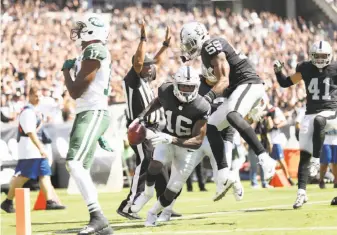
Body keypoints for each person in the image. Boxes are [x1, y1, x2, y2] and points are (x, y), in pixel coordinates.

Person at [180, 22, 276, 201]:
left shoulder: (210, 47)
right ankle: (223, 174)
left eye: (190, 43)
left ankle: (265, 159)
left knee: (232, 114)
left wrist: (206, 99)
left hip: (249, 84)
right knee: (213, 125)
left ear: (199, 38)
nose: (188, 48)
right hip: (239, 89)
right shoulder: (205, 53)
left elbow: (223, 80)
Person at [130, 66, 210, 226]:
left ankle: (153, 212)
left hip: (186, 147)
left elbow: (197, 141)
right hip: (167, 136)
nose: (186, 90)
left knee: (173, 188)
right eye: (183, 86)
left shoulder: (201, 106)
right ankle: (147, 193)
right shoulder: (166, 90)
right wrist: (141, 116)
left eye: (190, 87)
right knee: (155, 164)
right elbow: (158, 101)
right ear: (175, 85)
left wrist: (172, 139)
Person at [117, 20, 180, 220]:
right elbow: (139, 61)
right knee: (145, 163)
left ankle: (163, 204)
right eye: (148, 66)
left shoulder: (144, 78)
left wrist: (164, 47)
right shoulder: (133, 79)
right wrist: (143, 38)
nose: (152, 68)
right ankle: (127, 206)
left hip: (154, 128)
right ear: (140, 66)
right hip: (140, 128)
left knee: (159, 162)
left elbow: (153, 62)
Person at [62, 15, 113, 235]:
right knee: (79, 166)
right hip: (88, 112)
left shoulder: (95, 51)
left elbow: (75, 91)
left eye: (82, 28)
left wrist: (66, 72)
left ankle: (98, 217)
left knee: (73, 163)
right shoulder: (87, 52)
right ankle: (101, 224)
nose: (77, 31)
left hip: (93, 111)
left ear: (92, 31)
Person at [273, 40, 337, 209]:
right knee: (304, 153)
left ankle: (316, 161)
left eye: (324, 56)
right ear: (311, 56)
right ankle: (301, 193)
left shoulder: (335, 69)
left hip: (331, 112)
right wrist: (278, 72)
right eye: (318, 56)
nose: (321, 59)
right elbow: (286, 83)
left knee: (320, 121)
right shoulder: (306, 68)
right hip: (310, 112)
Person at [1, 87, 65, 213]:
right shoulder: (27, 112)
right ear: (29, 96)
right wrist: (40, 147)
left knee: (44, 173)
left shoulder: (35, 111)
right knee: (24, 176)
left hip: (34, 150)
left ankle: (50, 201)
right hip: (30, 150)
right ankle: (7, 201)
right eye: (36, 95)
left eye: (40, 95)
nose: (38, 98)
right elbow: (30, 133)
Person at [265, 98, 295, 186]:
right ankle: (269, 180)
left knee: (281, 160)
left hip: (275, 139)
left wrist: (275, 126)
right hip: (265, 139)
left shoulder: (275, 110)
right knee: (268, 162)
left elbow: (284, 121)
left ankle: (288, 178)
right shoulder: (260, 110)